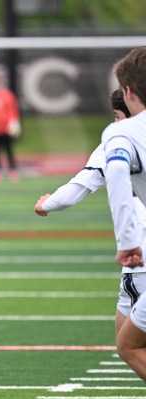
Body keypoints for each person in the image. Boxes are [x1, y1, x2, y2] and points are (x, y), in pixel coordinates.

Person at [34, 89, 146, 336]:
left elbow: (78, 187)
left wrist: (46, 204)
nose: (115, 122)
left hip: (140, 258)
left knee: (129, 345)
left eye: (117, 115)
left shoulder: (119, 138)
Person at [101, 46, 146, 381]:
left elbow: (115, 172)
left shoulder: (123, 131)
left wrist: (127, 241)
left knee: (129, 344)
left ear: (128, 92)